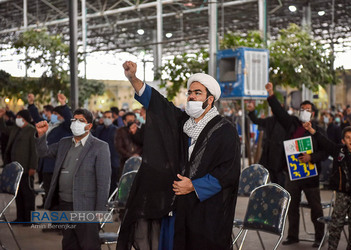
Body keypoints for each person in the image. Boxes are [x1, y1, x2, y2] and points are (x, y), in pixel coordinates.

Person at [116, 61, 240, 250]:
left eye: (198, 93)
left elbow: (228, 172)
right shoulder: (183, 123)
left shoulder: (224, 130)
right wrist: (133, 78)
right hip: (176, 204)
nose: (191, 96)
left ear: (210, 99)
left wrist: (193, 186)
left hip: (204, 209)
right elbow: (159, 104)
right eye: (190, 92)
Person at [35, 108, 111, 250]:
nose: (76, 123)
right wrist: (41, 136)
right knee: (69, 244)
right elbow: (43, 152)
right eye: (74, 120)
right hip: (65, 204)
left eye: (80, 121)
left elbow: (103, 183)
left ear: (89, 126)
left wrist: (100, 212)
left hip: (86, 207)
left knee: (88, 245)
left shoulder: (100, 147)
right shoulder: (64, 143)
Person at [265, 82, 328, 247]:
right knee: (292, 207)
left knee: (316, 208)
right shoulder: (292, 124)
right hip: (292, 174)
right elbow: (279, 112)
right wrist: (271, 94)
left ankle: (319, 236)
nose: (305, 113)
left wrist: (311, 157)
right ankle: (293, 235)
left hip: (311, 176)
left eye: (308, 110)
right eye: (302, 110)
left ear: (313, 113)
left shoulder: (318, 131)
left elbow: (326, 151)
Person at [303, 124, 351, 250]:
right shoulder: (338, 151)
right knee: (335, 226)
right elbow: (324, 141)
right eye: (347, 138)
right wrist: (311, 130)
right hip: (341, 196)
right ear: (343, 141)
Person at [27, 93, 73, 210]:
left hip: (56, 167)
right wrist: (31, 104)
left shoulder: (66, 127)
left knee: (58, 197)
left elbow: (69, 118)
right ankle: (54, 223)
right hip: (46, 166)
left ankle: (60, 224)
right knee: (49, 195)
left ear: (61, 116)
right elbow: (37, 119)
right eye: (53, 113)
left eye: (56, 114)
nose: (53, 116)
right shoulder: (50, 126)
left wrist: (64, 104)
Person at [0, 109, 38, 224]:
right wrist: (1, 118)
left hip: (26, 168)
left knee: (28, 194)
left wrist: (33, 167)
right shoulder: (16, 129)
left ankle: (29, 219)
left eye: (19, 117)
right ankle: (20, 217)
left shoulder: (32, 130)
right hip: (15, 169)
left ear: (24, 119)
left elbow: (35, 151)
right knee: (18, 194)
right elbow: (4, 129)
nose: (17, 119)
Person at [247, 101, 287, 186]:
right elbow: (256, 121)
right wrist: (251, 111)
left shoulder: (288, 121)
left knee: (280, 180)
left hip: (281, 156)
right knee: (273, 178)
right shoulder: (270, 120)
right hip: (270, 155)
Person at [92, 110, 120, 194]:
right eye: (105, 117)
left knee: (112, 184)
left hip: (112, 161)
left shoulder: (117, 130)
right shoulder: (99, 129)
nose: (107, 119)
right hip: (99, 160)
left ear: (113, 119)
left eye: (109, 117)